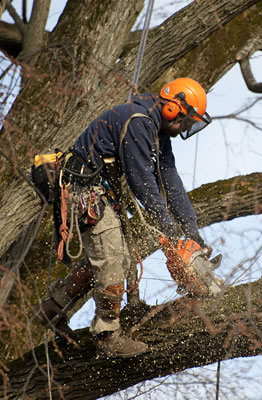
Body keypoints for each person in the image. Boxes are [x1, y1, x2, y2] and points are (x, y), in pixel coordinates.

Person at [33, 77, 213, 358]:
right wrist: (166, 227)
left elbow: (169, 179)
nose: (183, 130)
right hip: (83, 189)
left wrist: (191, 231)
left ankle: (52, 308)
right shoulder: (139, 121)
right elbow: (143, 182)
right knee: (112, 256)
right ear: (173, 107)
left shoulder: (158, 132)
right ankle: (107, 336)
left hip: (99, 192)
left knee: (120, 258)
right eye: (185, 121)